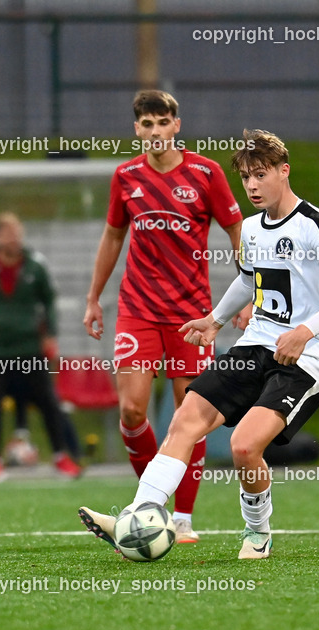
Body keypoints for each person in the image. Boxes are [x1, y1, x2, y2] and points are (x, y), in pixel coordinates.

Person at [79, 128, 319, 559]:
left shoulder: (316, 226)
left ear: (284, 171)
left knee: (244, 447)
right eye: (246, 177)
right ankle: (138, 516)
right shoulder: (251, 228)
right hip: (256, 345)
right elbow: (249, 281)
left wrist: (304, 332)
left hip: (306, 358)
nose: (252, 185)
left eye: (260, 175)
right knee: (184, 420)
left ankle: (258, 532)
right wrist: (215, 320)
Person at [83, 90, 243, 542]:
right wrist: (94, 298)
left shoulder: (205, 173)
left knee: (188, 413)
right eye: (147, 124)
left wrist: (248, 294)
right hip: (138, 310)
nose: (155, 131)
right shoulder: (126, 176)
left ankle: (183, 517)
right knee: (132, 409)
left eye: (162, 122)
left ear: (176, 125)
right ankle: (150, 505)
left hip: (192, 314)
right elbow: (113, 237)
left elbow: (237, 231)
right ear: (137, 129)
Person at [0, 212, 83, 482]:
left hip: (29, 347)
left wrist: (50, 333)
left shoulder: (35, 265)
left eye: (17, 233)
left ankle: (60, 457)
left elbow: (49, 300)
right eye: (8, 234)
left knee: (48, 402)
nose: (13, 239)